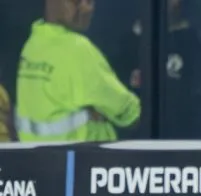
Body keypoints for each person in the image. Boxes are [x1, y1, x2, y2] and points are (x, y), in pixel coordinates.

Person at [16, 0, 140, 142]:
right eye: (77, 1)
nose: (88, 8)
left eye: (90, 1)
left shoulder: (33, 45)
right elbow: (129, 112)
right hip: (84, 159)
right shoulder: (77, 50)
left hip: (37, 160)